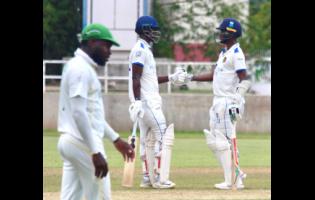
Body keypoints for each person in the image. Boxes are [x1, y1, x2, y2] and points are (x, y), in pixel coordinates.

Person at [57, 23, 135, 200]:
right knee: (100, 196)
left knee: (70, 197)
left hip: (71, 142)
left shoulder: (77, 66)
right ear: (92, 42)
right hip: (82, 142)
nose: (110, 52)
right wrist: (94, 151)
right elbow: (78, 113)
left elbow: (92, 115)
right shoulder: (80, 69)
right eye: (106, 45)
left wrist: (115, 139)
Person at [184, 18, 251, 190]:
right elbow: (214, 75)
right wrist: (191, 77)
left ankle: (236, 180)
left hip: (229, 101)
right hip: (218, 101)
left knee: (227, 141)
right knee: (215, 141)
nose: (220, 34)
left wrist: (237, 100)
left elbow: (245, 79)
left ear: (232, 34)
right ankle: (234, 174)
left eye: (223, 31)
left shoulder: (237, 53)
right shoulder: (223, 53)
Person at [128, 16, 186, 189]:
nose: (155, 33)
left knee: (146, 140)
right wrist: (138, 100)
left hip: (144, 102)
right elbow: (136, 77)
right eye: (153, 30)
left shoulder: (145, 49)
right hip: (147, 103)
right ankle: (161, 178)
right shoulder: (140, 50)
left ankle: (147, 177)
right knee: (163, 134)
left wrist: (171, 77)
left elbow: (149, 79)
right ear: (145, 30)